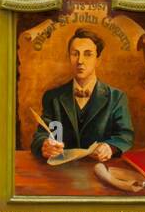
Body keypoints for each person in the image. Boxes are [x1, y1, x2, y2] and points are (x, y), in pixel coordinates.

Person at [30, 29, 133, 162]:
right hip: (60, 172)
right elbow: (42, 134)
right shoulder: (52, 97)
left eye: (88, 54)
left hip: (100, 169)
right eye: (75, 54)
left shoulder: (117, 97)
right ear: (69, 57)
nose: (80, 61)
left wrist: (109, 147)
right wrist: (45, 145)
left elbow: (125, 135)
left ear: (98, 59)